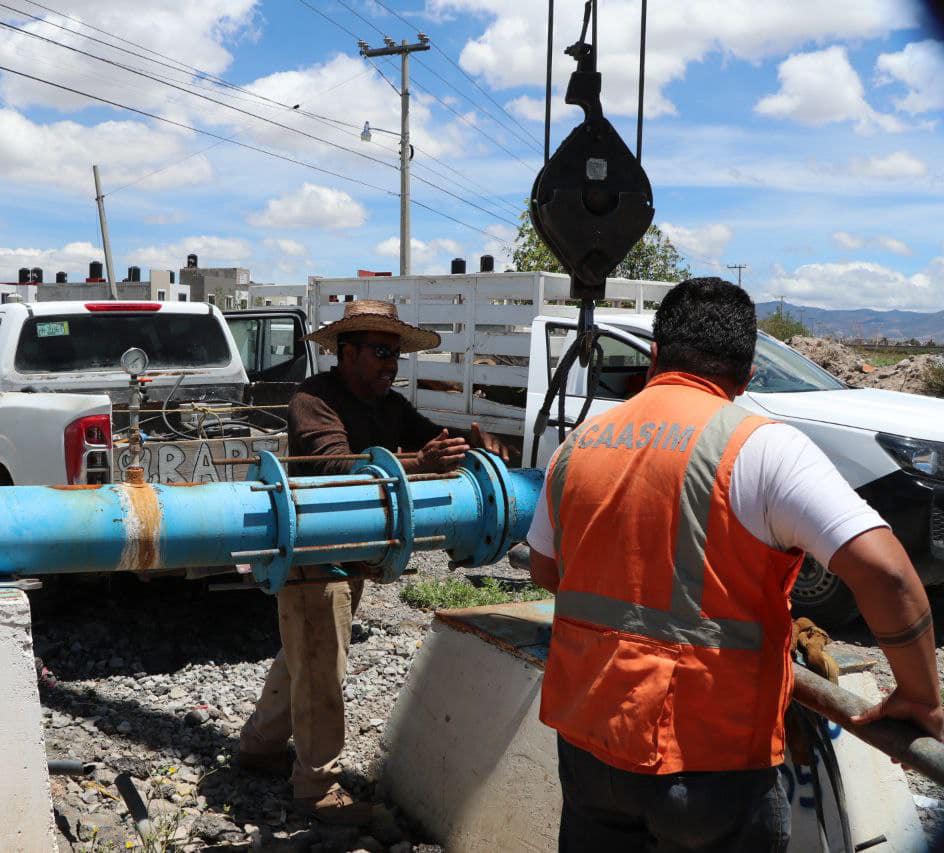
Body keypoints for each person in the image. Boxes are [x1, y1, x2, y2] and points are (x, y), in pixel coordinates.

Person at [526, 277, 944, 852]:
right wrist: (920, 696)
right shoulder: (764, 447)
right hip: (713, 761)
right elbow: (889, 574)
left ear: (653, 356)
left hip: (590, 745)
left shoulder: (581, 442)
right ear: (747, 375)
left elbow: (547, 572)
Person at [237, 299, 507, 825]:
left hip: (355, 551)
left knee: (307, 651)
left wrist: (468, 447)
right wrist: (417, 463)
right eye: (382, 353)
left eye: (395, 355)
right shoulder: (314, 399)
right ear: (347, 352)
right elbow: (330, 462)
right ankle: (315, 788)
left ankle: (258, 747)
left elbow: (428, 437)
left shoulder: (388, 405)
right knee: (321, 666)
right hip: (313, 548)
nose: (391, 365)